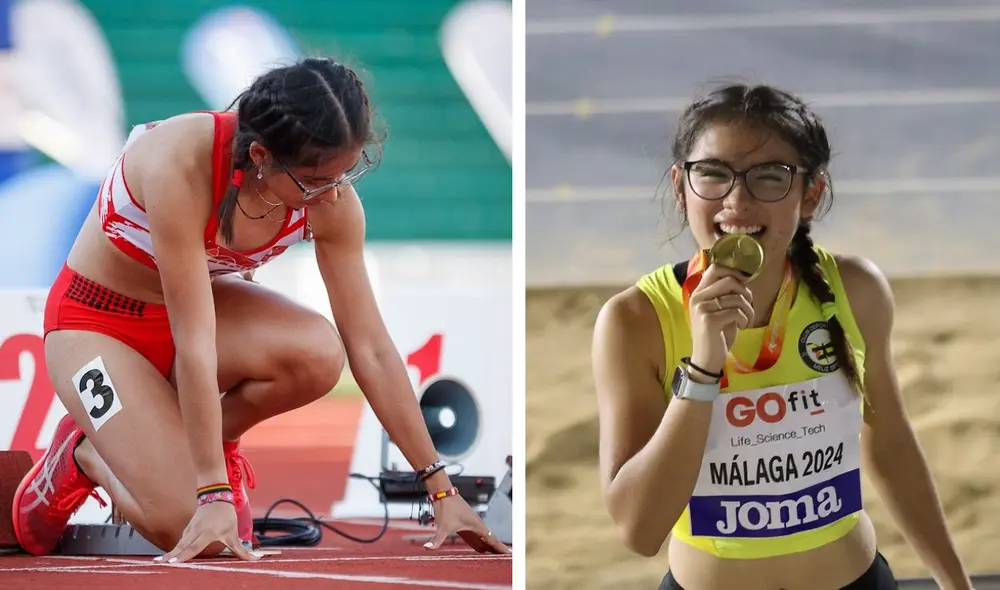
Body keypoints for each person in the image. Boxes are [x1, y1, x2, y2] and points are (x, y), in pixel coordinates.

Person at [13, 57, 509, 563]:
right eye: (315, 180)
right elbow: (195, 341)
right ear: (261, 156)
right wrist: (212, 493)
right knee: (191, 525)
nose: (333, 193)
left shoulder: (332, 200)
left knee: (319, 353)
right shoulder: (178, 163)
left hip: (201, 320)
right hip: (97, 326)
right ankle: (87, 453)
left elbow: (372, 348)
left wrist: (442, 489)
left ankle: (183, 442)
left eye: (347, 171)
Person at [592, 83, 973, 590]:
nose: (737, 200)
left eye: (770, 176)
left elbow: (891, 447)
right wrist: (703, 369)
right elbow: (640, 531)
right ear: (682, 188)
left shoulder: (855, 290)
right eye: (713, 174)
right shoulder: (636, 320)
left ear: (810, 194)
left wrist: (956, 583)